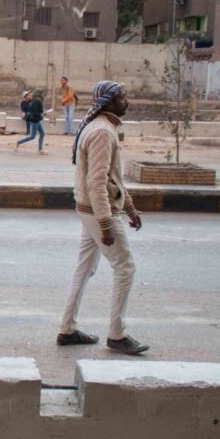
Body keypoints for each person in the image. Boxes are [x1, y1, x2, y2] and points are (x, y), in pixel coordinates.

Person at [57, 80, 149, 355]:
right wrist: (107, 224)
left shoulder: (101, 128)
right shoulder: (102, 133)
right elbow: (97, 182)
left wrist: (130, 208)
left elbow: (113, 179)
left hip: (92, 210)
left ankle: (67, 329)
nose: (126, 101)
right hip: (98, 212)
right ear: (109, 102)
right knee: (125, 268)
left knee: (84, 269)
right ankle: (117, 335)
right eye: (122, 97)